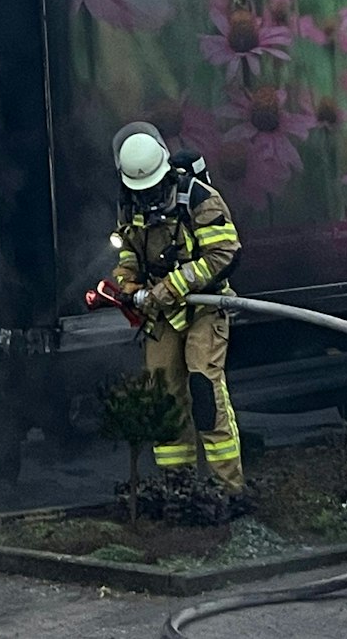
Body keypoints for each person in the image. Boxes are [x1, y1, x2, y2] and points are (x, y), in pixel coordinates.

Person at [108, 122, 245, 495]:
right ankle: (178, 488)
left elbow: (224, 254)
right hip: (162, 314)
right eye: (141, 190)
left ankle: (228, 490)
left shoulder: (198, 198)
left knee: (204, 388)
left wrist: (171, 287)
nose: (148, 196)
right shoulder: (129, 203)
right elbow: (129, 252)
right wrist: (128, 282)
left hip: (203, 307)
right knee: (164, 397)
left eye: (152, 188)